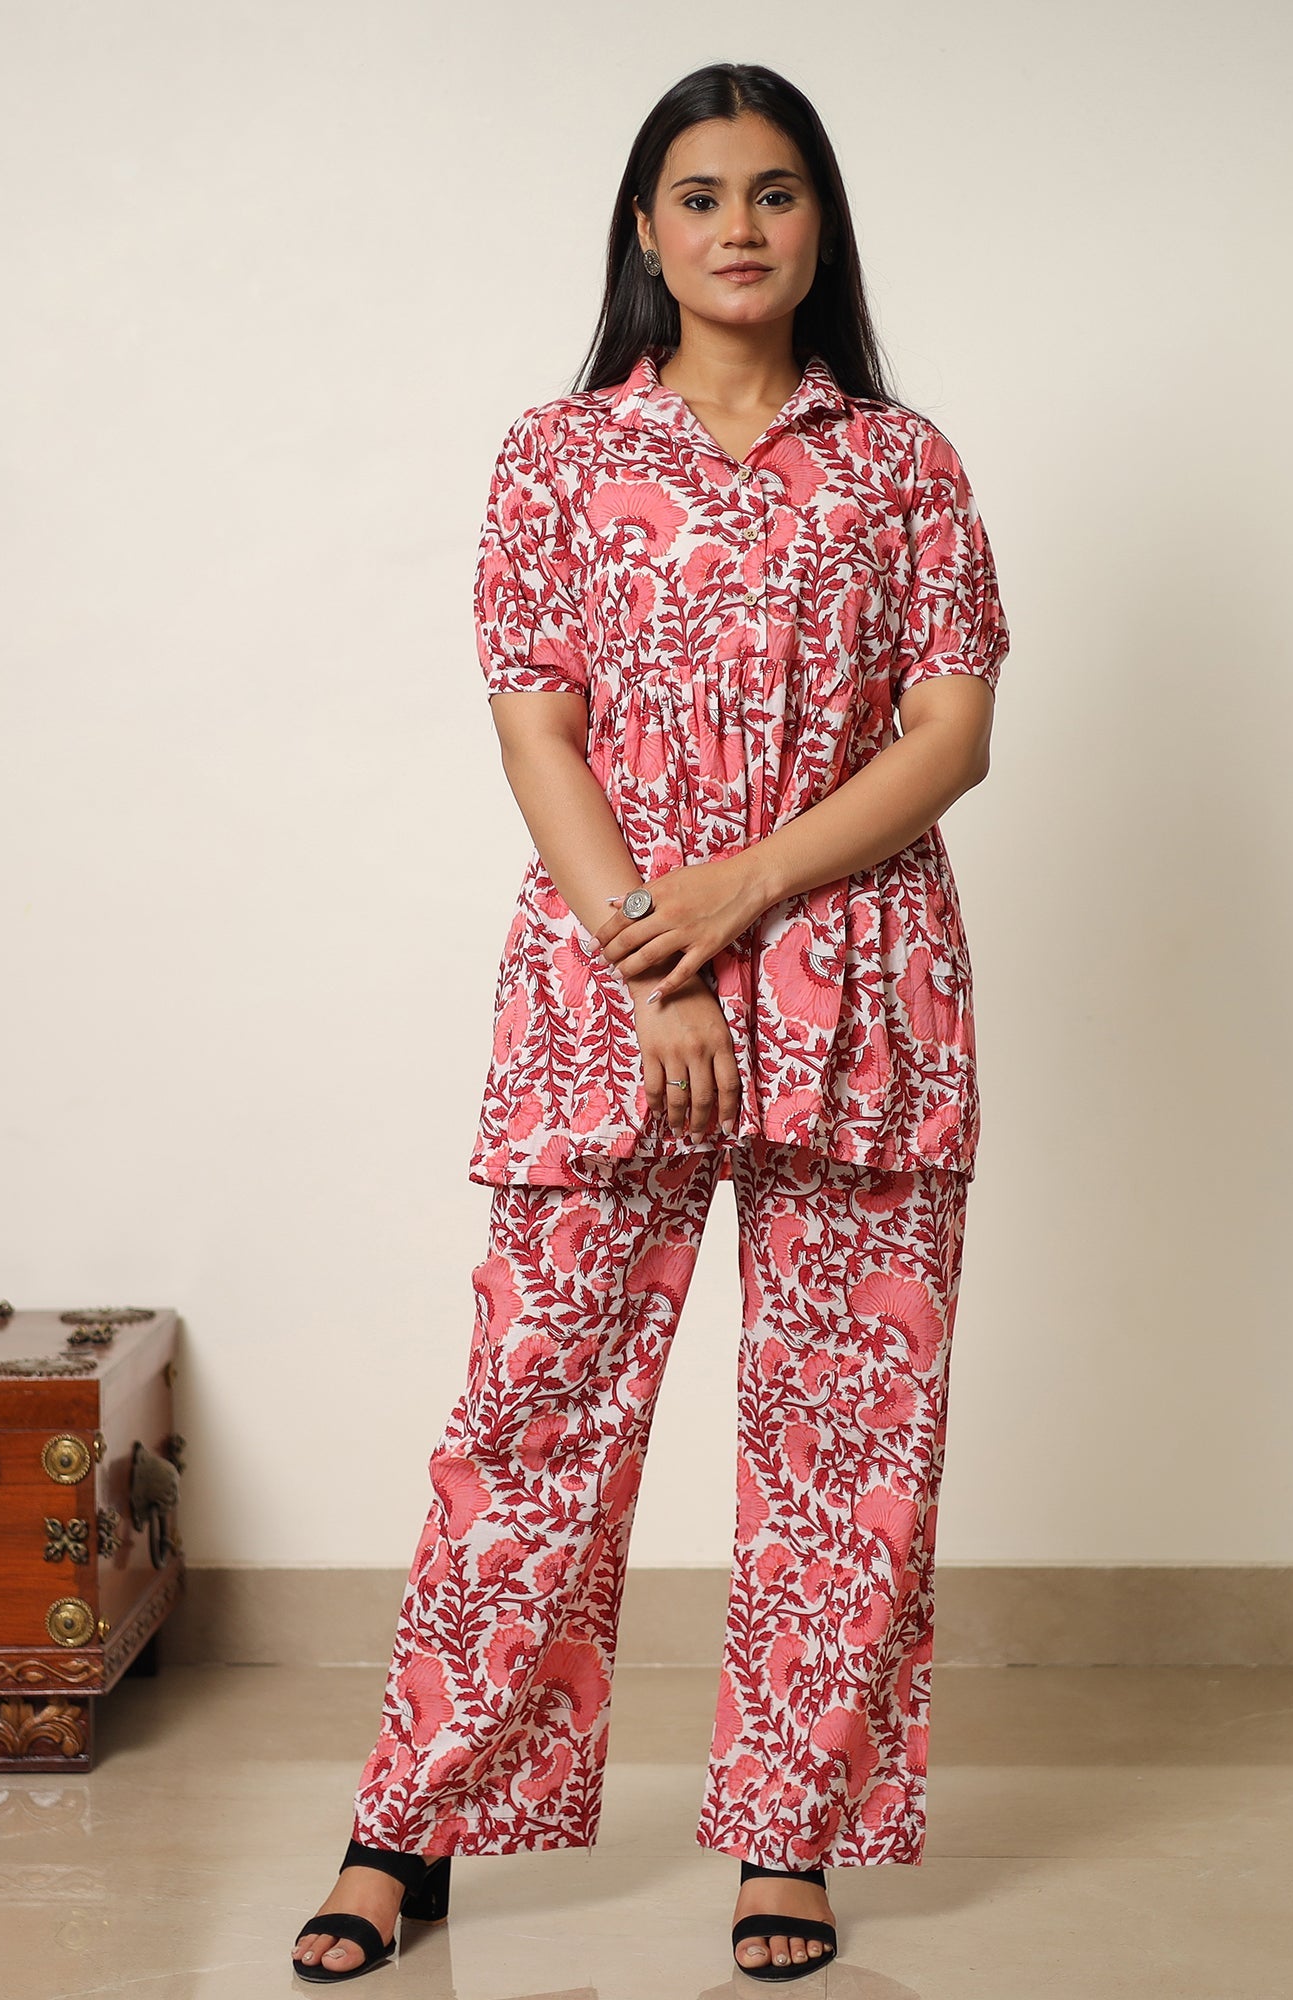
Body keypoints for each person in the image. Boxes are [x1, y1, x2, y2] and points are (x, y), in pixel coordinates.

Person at [293, 58, 1009, 1987]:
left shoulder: (906, 466)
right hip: (615, 990)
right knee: (533, 1412)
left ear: (821, 222)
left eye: (775, 191)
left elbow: (952, 733)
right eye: (701, 196)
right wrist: (652, 951)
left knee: (848, 1435)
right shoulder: (556, 455)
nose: (740, 228)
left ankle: (792, 1835)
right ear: (645, 228)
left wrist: (742, 892)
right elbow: (535, 723)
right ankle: (409, 1828)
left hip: (862, 989)